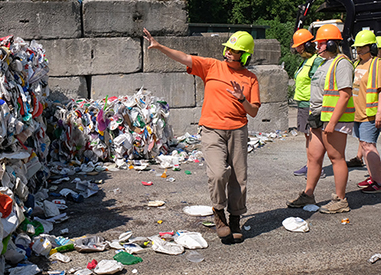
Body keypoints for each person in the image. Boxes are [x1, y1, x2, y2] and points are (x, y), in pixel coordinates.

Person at [143, 28, 260, 243]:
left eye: (234, 51)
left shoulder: (250, 78)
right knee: (217, 174)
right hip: (212, 129)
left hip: (238, 131)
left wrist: (242, 98)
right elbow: (186, 58)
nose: (228, 53)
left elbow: (253, 111)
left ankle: (235, 219)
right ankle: (218, 212)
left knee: (238, 178)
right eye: (227, 49)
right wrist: (159, 46)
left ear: (244, 55)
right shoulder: (212, 66)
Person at [287, 24, 354, 213]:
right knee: (314, 157)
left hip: (332, 119)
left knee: (336, 157)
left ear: (332, 43)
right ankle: (308, 194)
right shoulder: (324, 62)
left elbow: (345, 95)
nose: (317, 47)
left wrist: (332, 123)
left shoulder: (342, 63)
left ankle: (340, 200)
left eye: (321, 44)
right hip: (318, 116)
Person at [290, 29, 326, 177]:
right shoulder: (306, 61)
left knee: (314, 136)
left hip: (311, 104)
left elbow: (318, 83)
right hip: (303, 103)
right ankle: (310, 164)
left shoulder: (316, 61)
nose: (297, 49)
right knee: (307, 135)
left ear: (307, 45)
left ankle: (317, 167)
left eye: (299, 46)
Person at [349, 30, 381, 193]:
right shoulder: (358, 64)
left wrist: (379, 112)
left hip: (370, 113)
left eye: (362, 47)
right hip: (358, 113)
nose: (359, 50)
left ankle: (379, 182)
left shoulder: (377, 64)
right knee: (364, 144)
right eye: (358, 47)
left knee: (369, 146)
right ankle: (373, 177)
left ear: (372, 47)